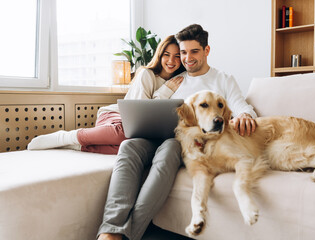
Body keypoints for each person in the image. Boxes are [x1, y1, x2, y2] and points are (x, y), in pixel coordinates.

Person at [97, 24, 257, 240]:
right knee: (128, 146)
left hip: (182, 143)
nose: (187, 58)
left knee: (170, 148)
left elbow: (242, 106)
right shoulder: (176, 79)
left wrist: (245, 115)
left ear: (206, 51)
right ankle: (110, 230)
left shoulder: (223, 80)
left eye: (194, 51)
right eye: (183, 52)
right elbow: (154, 107)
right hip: (156, 135)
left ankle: (126, 236)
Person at [27, 35, 185, 154]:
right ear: (159, 55)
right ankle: (66, 137)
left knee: (131, 147)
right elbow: (140, 117)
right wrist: (165, 91)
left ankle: (77, 145)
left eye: (177, 56)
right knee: (126, 135)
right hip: (116, 117)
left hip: (134, 129)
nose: (171, 60)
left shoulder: (180, 81)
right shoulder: (147, 75)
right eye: (167, 54)